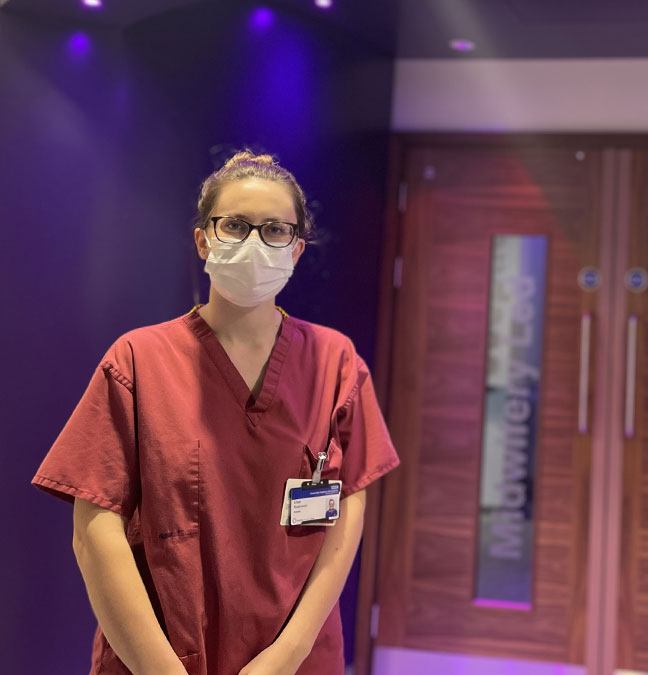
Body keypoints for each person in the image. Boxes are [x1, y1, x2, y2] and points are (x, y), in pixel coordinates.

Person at [32, 151, 399, 674]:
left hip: (294, 658)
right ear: (204, 238)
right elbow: (94, 530)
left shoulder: (335, 362)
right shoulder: (138, 360)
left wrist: (286, 656)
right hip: (158, 655)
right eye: (235, 226)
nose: (255, 244)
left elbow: (348, 509)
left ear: (295, 251)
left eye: (275, 230)